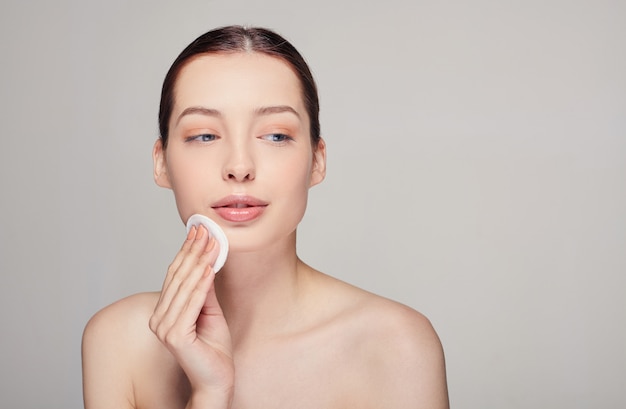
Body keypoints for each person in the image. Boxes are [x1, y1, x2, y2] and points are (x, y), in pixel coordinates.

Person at [82, 25, 449, 409]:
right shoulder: (118, 340)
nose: (239, 166)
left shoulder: (395, 346)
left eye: (275, 135)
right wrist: (209, 393)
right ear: (161, 163)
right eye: (205, 135)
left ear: (317, 161)